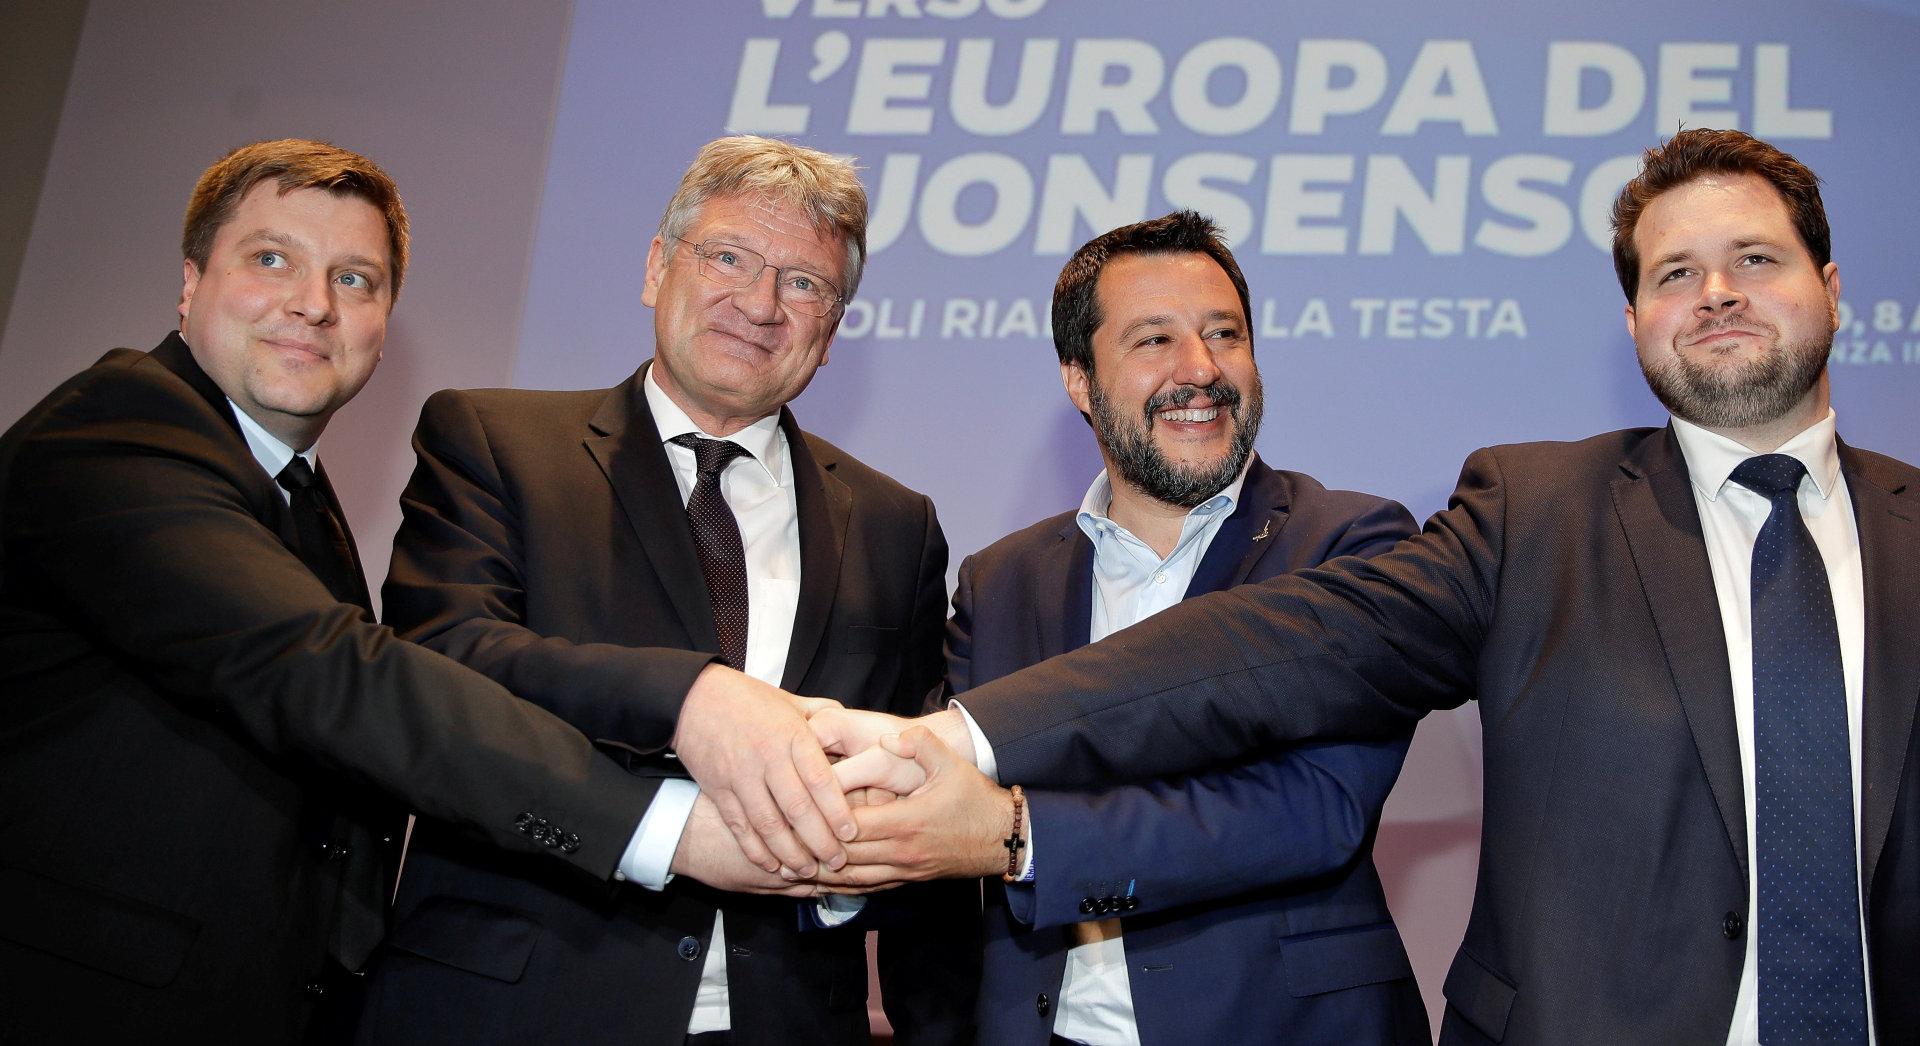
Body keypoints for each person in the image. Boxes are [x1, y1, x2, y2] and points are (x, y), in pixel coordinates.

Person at [817, 129, 1920, 1043]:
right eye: (1676, 272)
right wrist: (958, 745)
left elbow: (1310, 805)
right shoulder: (1533, 509)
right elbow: (1269, 650)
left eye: (1756, 260)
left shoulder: (1351, 529)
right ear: (1634, 319)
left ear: (1831, 287)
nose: (1717, 293)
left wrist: (1007, 816)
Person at [0, 139, 807, 1043]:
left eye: (356, 280)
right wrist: (665, 828)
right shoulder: (114, 433)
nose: (312, 304)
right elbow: (331, 674)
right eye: (272, 260)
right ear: (190, 284)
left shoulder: (296, 493)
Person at [354, 135, 977, 1046]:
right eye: (728, 257)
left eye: (805, 285)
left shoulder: (897, 524)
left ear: (832, 332)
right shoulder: (492, 440)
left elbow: (914, 785)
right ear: (657, 267)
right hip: (514, 1007)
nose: (760, 304)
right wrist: (691, 699)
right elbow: (442, 664)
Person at [823, 211, 1429, 1045]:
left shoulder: (1349, 546)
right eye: (1154, 340)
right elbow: (938, 846)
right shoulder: (1001, 581)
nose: (1203, 369)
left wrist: (1018, 834)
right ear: (1079, 379)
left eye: (1225, 334)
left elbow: (1314, 810)